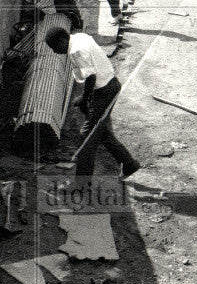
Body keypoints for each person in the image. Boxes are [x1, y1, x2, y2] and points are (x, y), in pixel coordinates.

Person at [45, 27, 141, 181]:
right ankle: (129, 164)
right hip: (109, 86)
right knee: (99, 131)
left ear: (62, 41)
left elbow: (90, 76)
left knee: (87, 139)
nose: (55, 52)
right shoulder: (79, 37)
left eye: (54, 48)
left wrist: (84, 97)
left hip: (105, 92)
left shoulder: (75, 51)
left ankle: (81, 185)